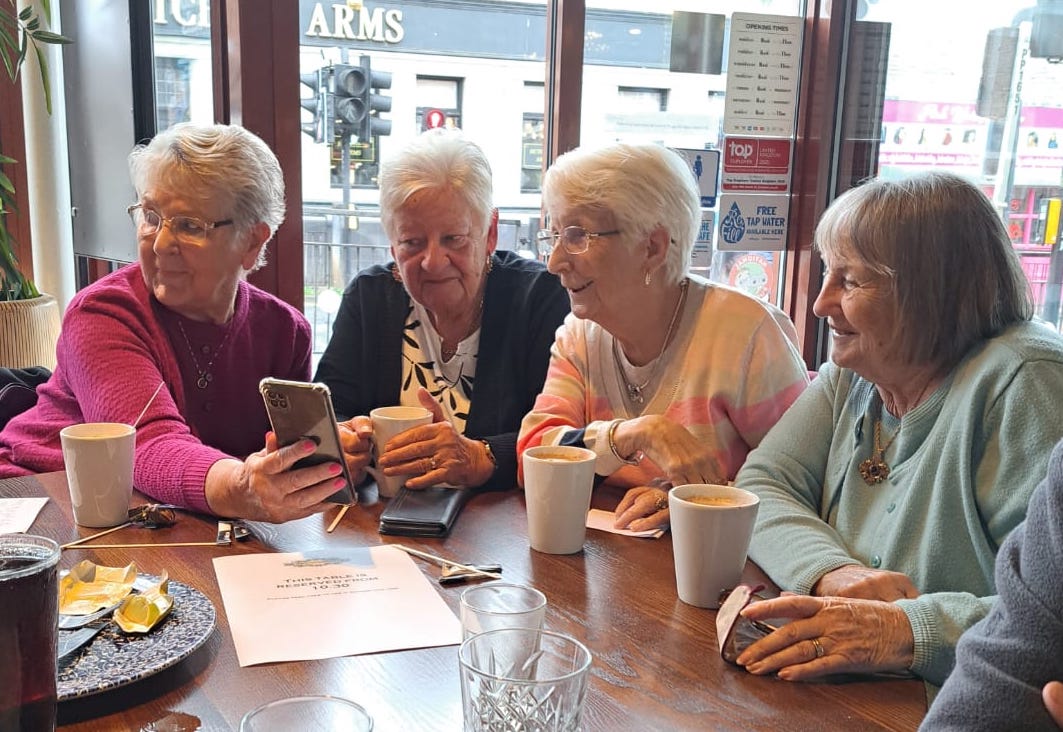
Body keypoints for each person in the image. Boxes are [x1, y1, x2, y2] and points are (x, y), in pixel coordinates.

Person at [732, 171, 1063, 688]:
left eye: (850, 281)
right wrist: (832, 572)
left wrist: (903, 629)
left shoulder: (1027, 383)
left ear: (932, 291)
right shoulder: (856, 371)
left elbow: (1051, 615)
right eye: (826, 273)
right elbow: (761, 484)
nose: (820, 304)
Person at [0, 123, 340, 523]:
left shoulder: (285, 333)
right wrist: (243, 487)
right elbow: (145, 444)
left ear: (252, 241)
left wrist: (327, 463)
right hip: (40, 505)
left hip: (170, 520)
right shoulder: (103, 313)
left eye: (189, 225)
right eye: (150, 216)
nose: (160, 243)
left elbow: (276, 461)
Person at [517, 141, 808, 531]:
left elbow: (802, 481)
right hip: (611, 561)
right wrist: (635, 434)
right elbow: (531, 457)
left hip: (721, 571)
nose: (554, 262)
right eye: (553, 236)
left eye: (577, 236)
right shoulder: (579, 336)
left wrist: (698, 500)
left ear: (652, 247)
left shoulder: (745, 334)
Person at [315, 129, 569, 493]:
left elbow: (565, 436)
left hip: (507, 534)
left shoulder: (540, 298)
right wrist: (343, 444)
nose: (433, 262)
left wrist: (483, 456)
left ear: (490, 233)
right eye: (412, 242)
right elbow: (331, 411)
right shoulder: (369, 297)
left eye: (454, 238)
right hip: (381, 529)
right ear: (391, 244)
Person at [918, 439, 1063, 730]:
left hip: (914, 690)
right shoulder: (840, 398)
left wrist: (913, 625)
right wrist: (832, 569)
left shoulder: (1021, 398)